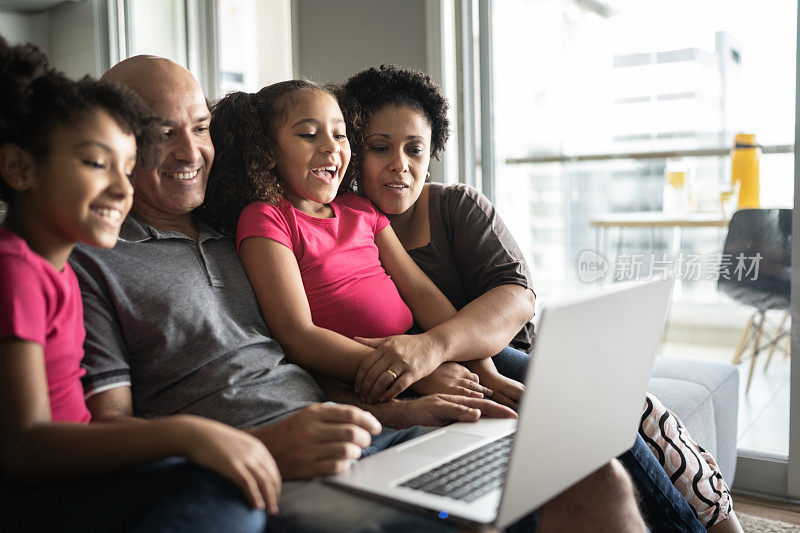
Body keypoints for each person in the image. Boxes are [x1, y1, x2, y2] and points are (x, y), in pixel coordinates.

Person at [71, 54, 698, 533]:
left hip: (370, 418)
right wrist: (263, 444)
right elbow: (111, 427)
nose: (189, 151)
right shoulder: (95, 261)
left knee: (593, 475)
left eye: (201, 127)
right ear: (116, 139)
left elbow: (455, 299)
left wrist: (429, 374)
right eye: (160, 133)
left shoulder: (231, 221)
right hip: (290, 456)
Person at [339, 63, 741, 532]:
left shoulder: (455, 207)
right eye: (379, 148)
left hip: (506, 355)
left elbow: (518, 296)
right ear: (352, 150)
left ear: (433, 155)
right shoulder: (341, 228)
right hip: (438, 377)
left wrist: (433, 347)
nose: (399, 165)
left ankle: (716, 518)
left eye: (415, 149)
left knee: (628, 405)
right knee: (603, 405)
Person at [0, 39, 275, 532]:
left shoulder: (52, 268)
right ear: (20, 168)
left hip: (84, 476)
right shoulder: (14, 271)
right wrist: (186, 435)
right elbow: (23, 448)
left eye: (126, 167)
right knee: (224, 493)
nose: (123, 188)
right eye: (95, 163)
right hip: (41, 493)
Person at [197, 80, 523, 407]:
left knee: (553, 387)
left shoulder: (360, 207)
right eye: (309, 135)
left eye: (339, 135)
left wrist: (486, 372)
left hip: (430, 348)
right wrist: (412, 372)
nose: (330, 146)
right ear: (266, 151)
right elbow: (298, 335)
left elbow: (421, 292)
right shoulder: (267, 218)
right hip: (365, 368)